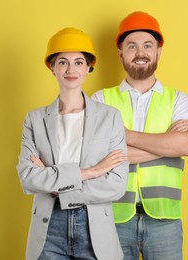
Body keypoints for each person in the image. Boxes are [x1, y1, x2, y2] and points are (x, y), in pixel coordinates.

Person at [91, 11, 188, 260]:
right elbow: (94, 156)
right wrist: (164, 145)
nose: (140, 52)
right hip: (112, 219)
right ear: (120, 54)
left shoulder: (178, 100)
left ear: (158, 52)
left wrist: (123, 136)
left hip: (165, 220)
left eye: (148, 45)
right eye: (132, 46)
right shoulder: (100, 100)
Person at [16, 27, 128, 260]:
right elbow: (28, 177)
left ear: (89, 67)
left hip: (95, 226)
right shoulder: (34, 120)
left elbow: (116, 184)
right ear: (52, 67)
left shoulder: (111, 117)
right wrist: (91, 172)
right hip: (49, 228)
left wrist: (55, 184)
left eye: (78, 62)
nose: (70, 69)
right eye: (62, 62)